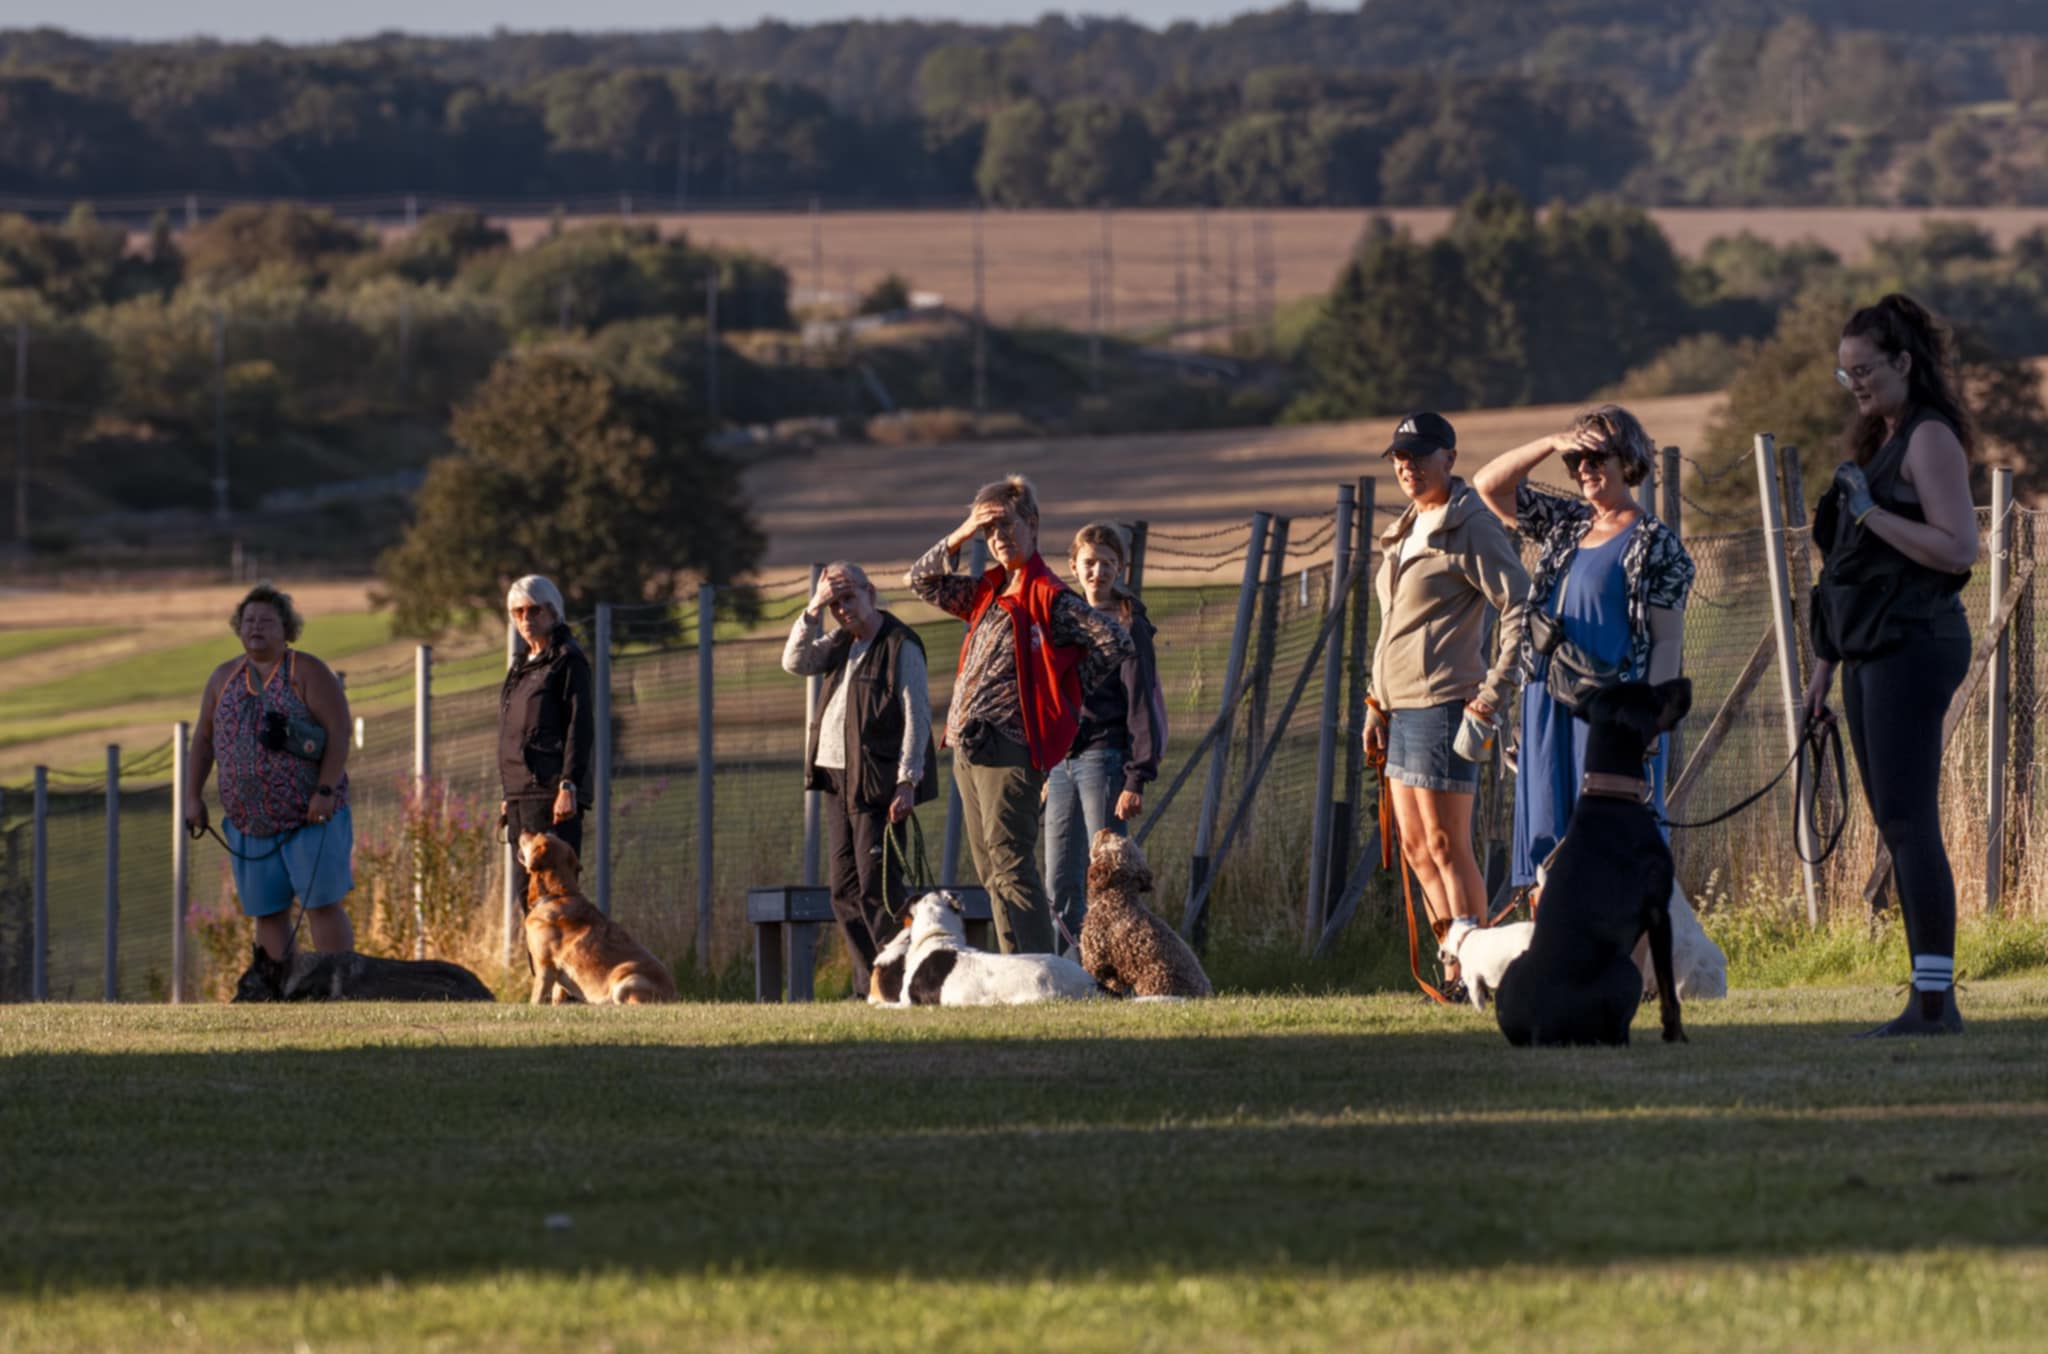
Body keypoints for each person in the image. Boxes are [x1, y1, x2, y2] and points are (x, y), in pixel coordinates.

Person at [1804, 294, 1978, 1037]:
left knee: (1909, 820)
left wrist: (1872, 513)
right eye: (1846, 374)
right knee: (1896, 822)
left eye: (1866, 370)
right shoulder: (1884, 441)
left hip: (1915, 644)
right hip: (1871, 650)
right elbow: (1848, 574)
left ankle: (1934, 1003)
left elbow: (1959, 548)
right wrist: (1821, 674)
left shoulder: (1929, 438)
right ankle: (1928, 997)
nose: (1856, 385)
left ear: (1905, 362)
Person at [1472, 404, 1694, 902]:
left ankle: (1623, 953)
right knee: (1545, 849)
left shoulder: (1656, 544)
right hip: (1546, 702)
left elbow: (1667, 641)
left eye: (1597, 457)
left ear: (1628, 460)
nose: (1585, 470)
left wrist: (1650, 723)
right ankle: (1554, 948)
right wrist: (1553, 442)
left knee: (1613, 847)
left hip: (1611, 714)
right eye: (1577, 462)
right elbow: (1489, 485)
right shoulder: (1566, 523)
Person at [907, 475, 1132, 954]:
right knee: (990, 870)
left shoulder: (1048, 595)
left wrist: (1062, 693)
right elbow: (920, 580)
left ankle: (1039, 970)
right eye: (990, 531)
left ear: (1032, 525)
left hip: (1010, 744)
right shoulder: (988, 590)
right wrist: (963, 531)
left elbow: (1115, 640)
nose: (999, 537)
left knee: (1011, 864)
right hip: (968, 745)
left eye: (1007, 525)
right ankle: (1017, 971)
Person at [1363, 412, 1531, 999]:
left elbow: (1520, 603)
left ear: (1450, 458)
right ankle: (1454, 964)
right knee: (1416, 849)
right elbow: (1393, 626)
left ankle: (1480, 972)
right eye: (1399, 458)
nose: (1407, 467)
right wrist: (1375, 701)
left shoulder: (1471, 525)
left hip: (1445, 704)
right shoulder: (1404, 529)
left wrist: (1493, 692)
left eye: (1419, 455)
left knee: (1446, 844)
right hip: (1399, 707)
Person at [782, 560, 938, 994]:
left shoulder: (900, 644)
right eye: (835, 604)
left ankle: (902, 982)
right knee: (844, 892)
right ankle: (870, 984)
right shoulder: (839, 642)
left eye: (848, 598)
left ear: (870, 593)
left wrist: (907, 780)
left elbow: (917, 715)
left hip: (876, 784)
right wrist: (813, 608)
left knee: (878, 890)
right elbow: (794, 661)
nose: (843, 610)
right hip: (835, 782)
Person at [183, 583, 357, 959]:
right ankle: (280, 985)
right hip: (250, 824)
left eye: (266, 621)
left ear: (286, 629)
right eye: (248, 621)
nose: (255, 628)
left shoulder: (306, 671)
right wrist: (192, 797)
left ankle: (339, 981)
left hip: (309, 817)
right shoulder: (222, 678)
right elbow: (203, 740)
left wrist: (325, 790)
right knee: (267, 913)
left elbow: (339, 731)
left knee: (321, 904)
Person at [1042, 522, 1168, 952]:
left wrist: (1136, 778)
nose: (1098, 572)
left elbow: (1141, 702)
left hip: (1105, 759)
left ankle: (1114, 971)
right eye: (1090, 563)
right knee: (1059, 880)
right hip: (1061, 762)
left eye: (1108, 563)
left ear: (1121, 569)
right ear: (1073, 566)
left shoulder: (1130, 625)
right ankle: (1069, 970)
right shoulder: (1065, 621)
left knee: (1108, 878)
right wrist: (1045, 764)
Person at [499, 575, 593, 908]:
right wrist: (509, 793)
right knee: (527, 898)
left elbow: (579, 726)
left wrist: (568, 785)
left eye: (534, 610)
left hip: (550, 793)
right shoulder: (521, 666)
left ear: (553, 612)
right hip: (520, 794)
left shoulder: (567, 660)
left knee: (553, 899)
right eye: (518, 612)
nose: (526, 619)